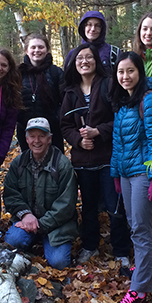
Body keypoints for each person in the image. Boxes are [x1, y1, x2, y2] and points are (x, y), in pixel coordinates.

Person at [61, 43, 131, 266]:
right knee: (89, 207)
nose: (84, 61)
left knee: (114, 206)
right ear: (74, 63)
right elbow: (64, 125)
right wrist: (79, 140)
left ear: (96, 61)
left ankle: (121, 250)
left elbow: (120, 117)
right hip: (83, 161)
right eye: (80, 58)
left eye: (89, 57)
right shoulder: (70, 92)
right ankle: (89, 245)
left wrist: (98, 131)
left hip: (108, 158)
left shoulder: (109, 85)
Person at [110, 51, 152, 303]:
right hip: (127, 174)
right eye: (121, 72)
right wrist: (116, 174)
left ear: (140, 72)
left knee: (141, 230)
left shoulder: (150, 100)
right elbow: (118, 145)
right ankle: (143, 268)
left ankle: (140, 289)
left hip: (144, 173)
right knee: (134, 225)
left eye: (130, 71)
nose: (125, 76)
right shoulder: (124, 103)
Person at [3, 117, 78, 270]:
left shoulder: (62, 165)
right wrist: (25, 215)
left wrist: (41, 224)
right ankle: (31, 244)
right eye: (32, 136)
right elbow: (11, 194)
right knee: (12, 240)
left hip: (57, 226)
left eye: (42, 136)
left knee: (59, 262)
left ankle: (40, 240)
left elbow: (66, 205)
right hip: (27, 220)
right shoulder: (18, 163)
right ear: (26, 139)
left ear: (50, 138)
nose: (37, 141)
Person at [17, 34, 65, 153]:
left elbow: (65, 100)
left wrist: (56, 118)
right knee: (28, 167)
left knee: (55, 166)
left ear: (47, 50)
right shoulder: (18, 73)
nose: (37, 50)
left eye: (41, 47)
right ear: (26, 50)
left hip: (52, 130)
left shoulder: (56, 73)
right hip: (25, 130)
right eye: (33, 47)